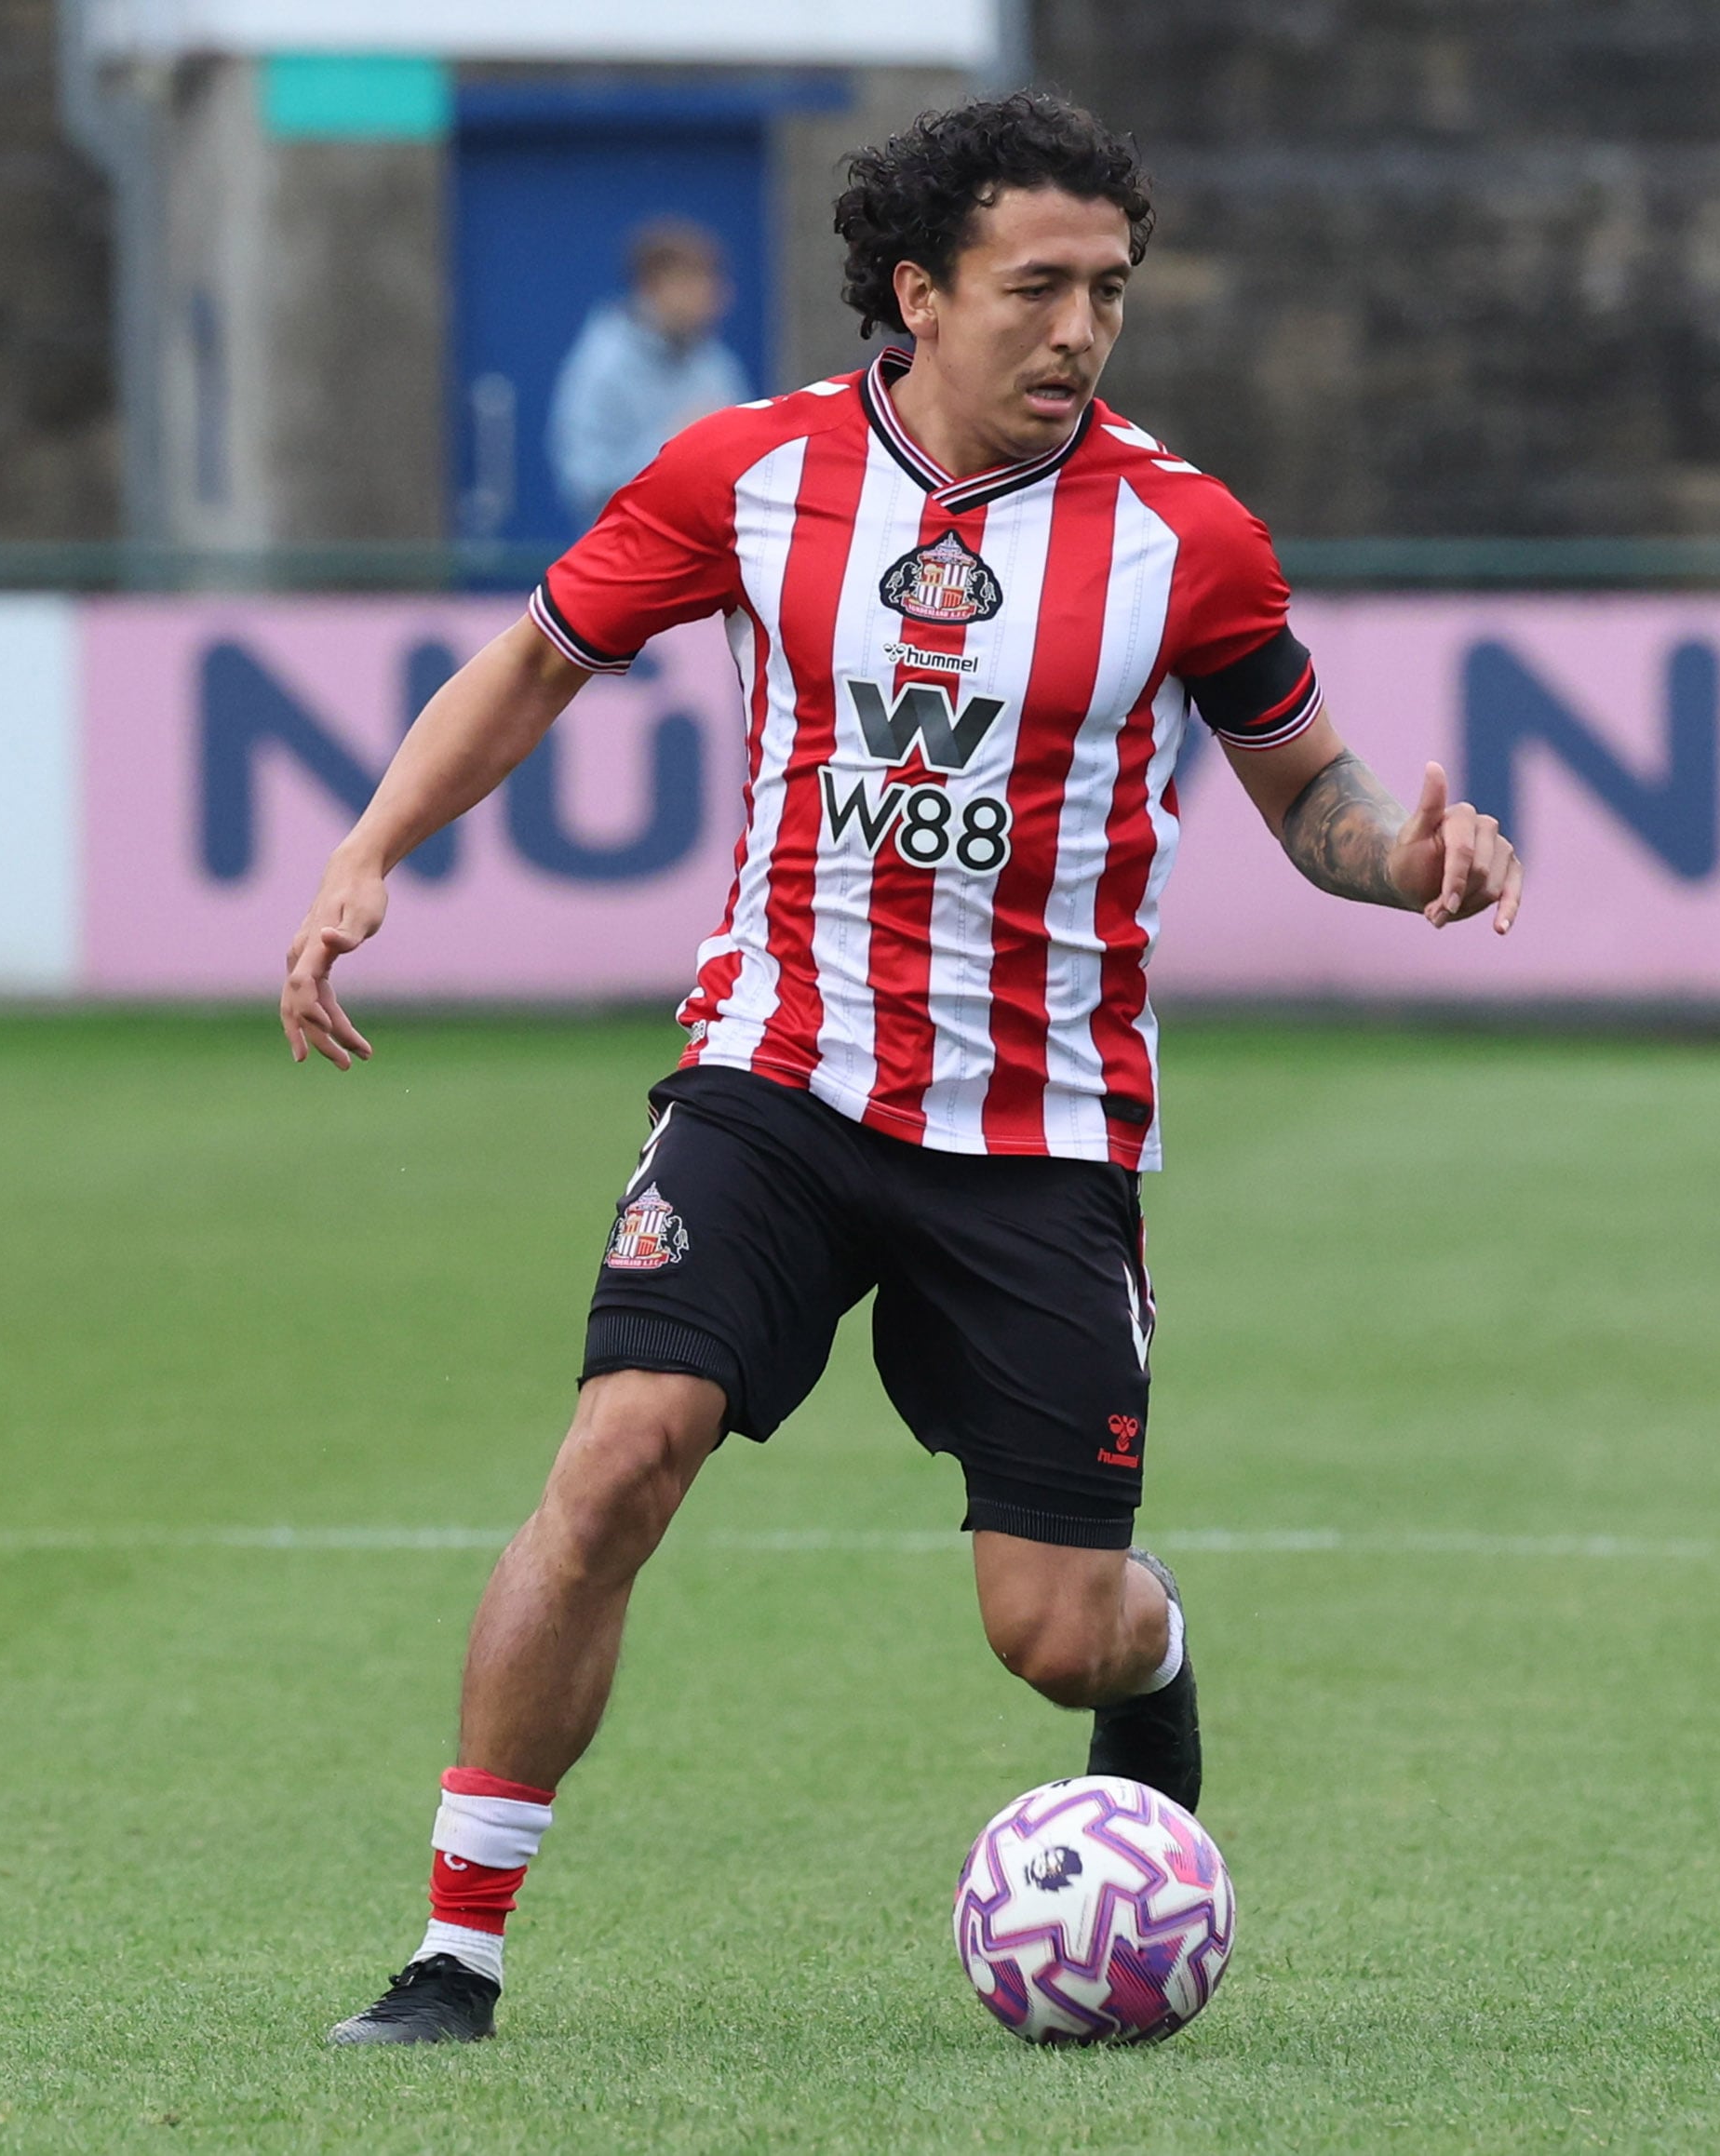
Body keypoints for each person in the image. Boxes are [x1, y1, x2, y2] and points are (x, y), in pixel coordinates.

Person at [292, 90, 1523, 2046]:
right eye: (1036, 288)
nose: (1079, 330)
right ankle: (455, 1952)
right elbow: (532, 659)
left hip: (1035, 1139)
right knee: (617, 1455)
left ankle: (1156, 1646)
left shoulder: (1181, 536)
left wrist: (1413, 862)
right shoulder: (747, 475)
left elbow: (1313, 796)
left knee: (1052, 1633)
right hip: (772, 1078)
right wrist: (368, 851)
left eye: (1107, 291)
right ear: (915, 289)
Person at [546, 219, 752, 527]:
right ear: (651, 287)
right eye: (691, 282)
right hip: (627, 556)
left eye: (712, 283)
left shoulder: (716, 363)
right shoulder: (602, 365)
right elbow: (584, 481)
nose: (710, 297)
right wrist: (676, 444)